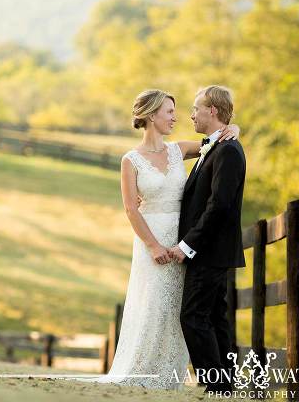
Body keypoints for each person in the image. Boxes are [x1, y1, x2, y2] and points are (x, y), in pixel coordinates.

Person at [72, 88, 240, 390]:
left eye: (177, 111)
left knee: (181, 306)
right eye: (169, 112)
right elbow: (129, 208)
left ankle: (175, 373)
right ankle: (143, 366)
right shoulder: (131, 160)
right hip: (152, 239)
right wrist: (152, 245)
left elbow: (215, 142)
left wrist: (234, 128)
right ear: (151, 115)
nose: (176, 117)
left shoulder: (179, 150)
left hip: (182, 240)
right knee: (152, 303)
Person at [168, 85, 247, 395]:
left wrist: (188, 245)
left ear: (212, 111)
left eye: (196, 108)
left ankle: (214, 386)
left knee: (193, 315)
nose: (191, 114)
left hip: (210, 250)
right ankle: (224, 386)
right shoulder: (216, 145)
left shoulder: (227, 150)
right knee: (215, 316)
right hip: (211, 250)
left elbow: (220, 205)